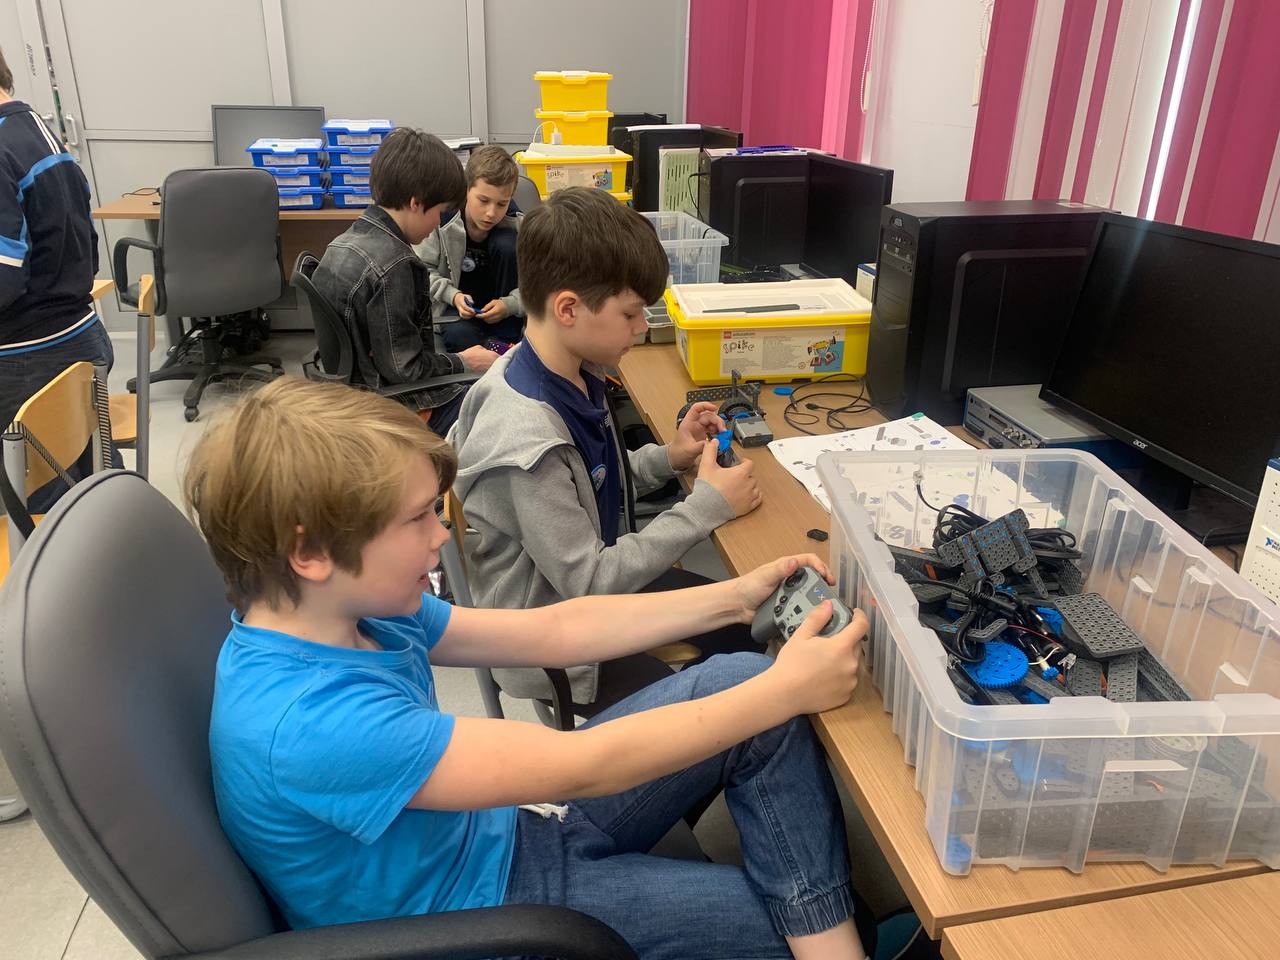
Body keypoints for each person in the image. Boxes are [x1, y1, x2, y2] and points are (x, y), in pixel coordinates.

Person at [187, 376, 871, 960]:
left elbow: (554, 630)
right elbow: (585, 765)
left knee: (746, 682)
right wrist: (789, 689)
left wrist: (735, 597)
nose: (442, 535)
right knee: (811, 922)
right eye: (417, 519)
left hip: (504, 833)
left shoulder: (352, 609)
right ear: (310, 553)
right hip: (484, 917)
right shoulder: (311, 724)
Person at [449, 187, 763, 715]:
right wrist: (705, 507)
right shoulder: (527, 441)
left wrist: (670, 457)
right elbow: (589, 581)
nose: (641, 329)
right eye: (631, 314)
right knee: (732, 706)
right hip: (559, 645)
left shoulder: (570, 370)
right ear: (568, 308)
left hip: (592, 589)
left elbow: (589, 483)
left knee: (751, 626)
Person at [311, 128, 498, 436]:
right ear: (416, 203)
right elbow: (407, 370)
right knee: (497, 402)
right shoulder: (395, 266)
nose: (437, 223)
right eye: (439, 212)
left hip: (350, 398)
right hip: (391, 407)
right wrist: (464, 360)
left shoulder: (343, 242)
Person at [0, 47, 115, 511]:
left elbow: (3, 282)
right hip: (77, 341)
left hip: (26, 363)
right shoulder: (35, 130)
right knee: (90, 492)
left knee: (42, 508)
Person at [416, 144, 524, 352]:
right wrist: (453, 296)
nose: (491, 213)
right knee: (459, 335)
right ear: (466, 190)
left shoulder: (519, 224)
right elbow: (422, 272)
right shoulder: (440, 221)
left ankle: (502, 346)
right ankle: (490, 351)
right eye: (483, 201)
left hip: (505, 315)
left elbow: (542, 283)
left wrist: (510, 304)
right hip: (456, 310)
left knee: (507, 243)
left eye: (502, 204)